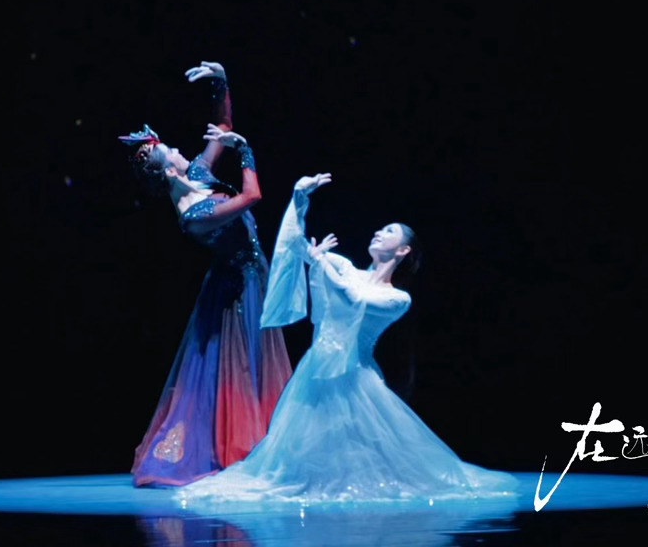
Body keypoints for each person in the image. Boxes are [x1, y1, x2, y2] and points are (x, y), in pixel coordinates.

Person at [178, 174, 517, 502]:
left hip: (354, 376)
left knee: (355, 448)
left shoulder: (398, 299)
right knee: (304, 449)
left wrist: (321, 264)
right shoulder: (346, 268)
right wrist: (300, 198)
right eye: (381, 228)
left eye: (389, 232)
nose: (379, 232)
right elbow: (296, 246)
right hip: (317, 368)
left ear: (403, 251)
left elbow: (353, 300)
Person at [122, 62, 292, 486]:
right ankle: (246, 446)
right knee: (244, 365)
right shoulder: (193, 216)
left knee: (257, 361)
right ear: (169, 171)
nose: (182, 150)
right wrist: (246, 151)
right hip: (238, 287)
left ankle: (266, 440)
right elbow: (251, 196)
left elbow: (221, 128)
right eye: (172, 152)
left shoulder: (197, 173)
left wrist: (221, 82)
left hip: (251, 271)